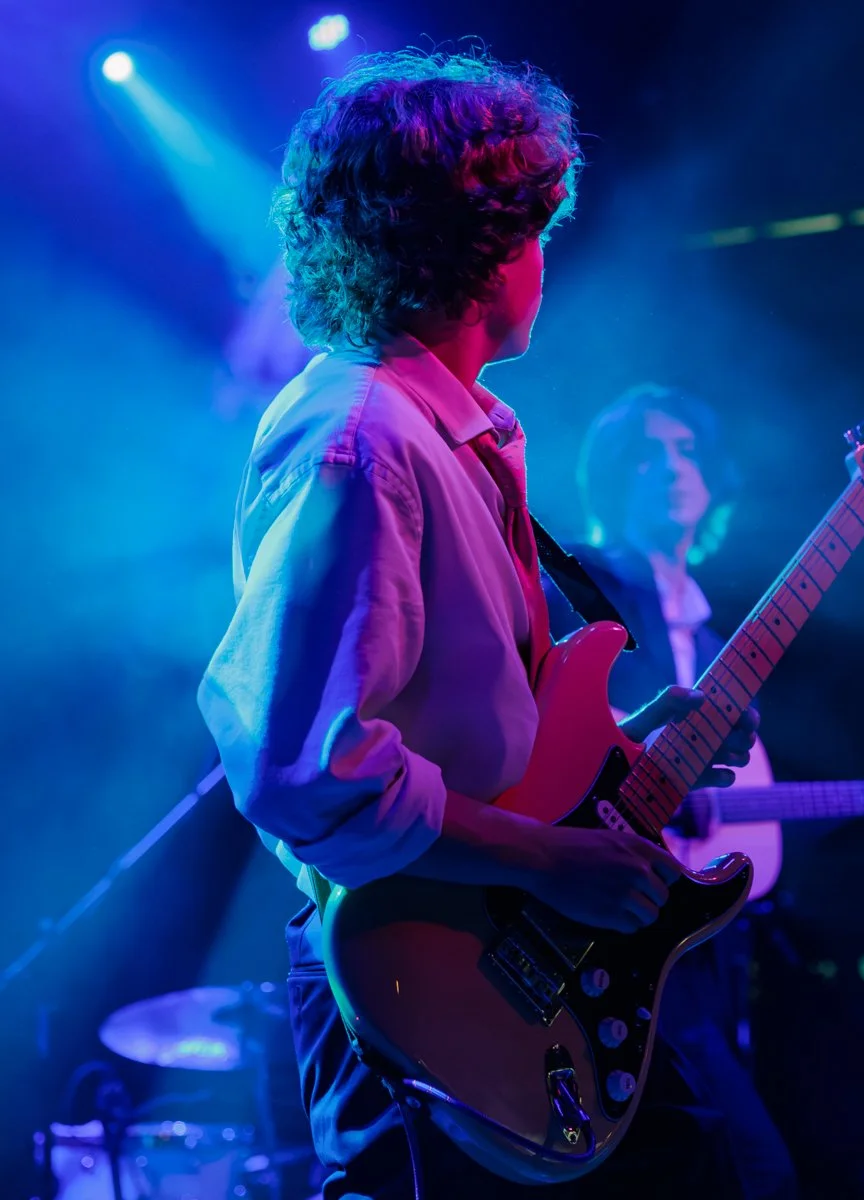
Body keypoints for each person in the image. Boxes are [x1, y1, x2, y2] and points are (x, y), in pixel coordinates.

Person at [195, 50, 760, 1199]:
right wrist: (554, 861)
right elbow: (312, 776)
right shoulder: (363, 443)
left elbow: (461, 726)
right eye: (535, 228)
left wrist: (624, 740)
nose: (547, 260)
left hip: (499, 957)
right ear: (477, 241)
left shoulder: (451, 429)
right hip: (428, 987)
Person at [543, 383, 797, 1199]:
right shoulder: (578, 591)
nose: (671, 469)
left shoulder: (715, 633)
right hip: (595, 919)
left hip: (695, 942)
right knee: (751, 1172)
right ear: (610, 477)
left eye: (687, 452)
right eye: (647, 454)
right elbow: (537, 723)